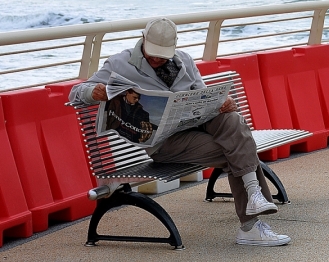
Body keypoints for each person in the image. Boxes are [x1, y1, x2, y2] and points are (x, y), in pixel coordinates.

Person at [69, 17, 291, 246]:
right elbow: (75, 94)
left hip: (197, 126)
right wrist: (92, 93)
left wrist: (224, 103)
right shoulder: (120, 63)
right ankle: (251, 226)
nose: (156, 58)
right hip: (166, 143)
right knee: (236, 148)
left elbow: (205, 97)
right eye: (152, 52)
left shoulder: (183, 61)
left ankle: (253, 198)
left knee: (232, 119)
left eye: (162, 54)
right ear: (143, 39)